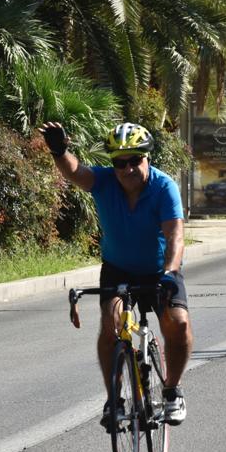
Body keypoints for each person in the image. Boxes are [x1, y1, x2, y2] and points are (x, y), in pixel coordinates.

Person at [39, 121, 193, 428]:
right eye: (120, 162)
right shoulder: (105, 181)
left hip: (160, 270)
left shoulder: (164, 188)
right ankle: (114, 400)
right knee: (110, 325)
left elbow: (175, 237)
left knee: (178, 325)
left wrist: (169, 272)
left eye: (135, 160)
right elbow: (74, 172)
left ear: (147, 157)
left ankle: (172, 390)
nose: (128, 169)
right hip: (117, 268)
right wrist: (59, 150)